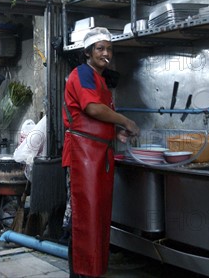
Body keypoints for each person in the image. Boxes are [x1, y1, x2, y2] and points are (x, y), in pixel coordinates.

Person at [62, 27, 140, 278]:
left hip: (97, 154)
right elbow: (92, 109)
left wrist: (114, 132)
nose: (106, 53)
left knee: (96, 216)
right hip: (82, 155)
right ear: (88, 52)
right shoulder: (83, 73)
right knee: (85, 216)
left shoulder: (99, 79)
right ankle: (83, 273)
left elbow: (99, 117)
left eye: (109, 48)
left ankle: (94, 270)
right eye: (100, 48)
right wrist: (126, 122)